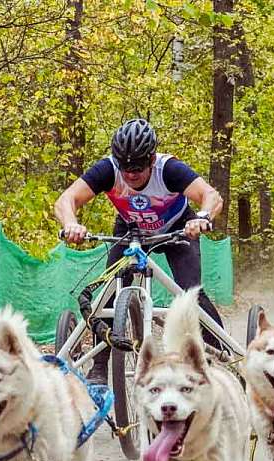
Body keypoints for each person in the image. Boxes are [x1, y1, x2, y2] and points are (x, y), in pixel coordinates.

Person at [54, 118, 226, 385]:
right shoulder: (108, 170)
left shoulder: (168, 169)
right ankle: (100, 366)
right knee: (108, 293)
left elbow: (211, 195)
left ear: (152, 158)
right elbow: (67, 199)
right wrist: (71, 224)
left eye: (137, 167)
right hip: (131, 230)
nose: (130, 174)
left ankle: (221, 355)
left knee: (190, 292)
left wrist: (202, 217)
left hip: (177, 228)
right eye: (124, 167)